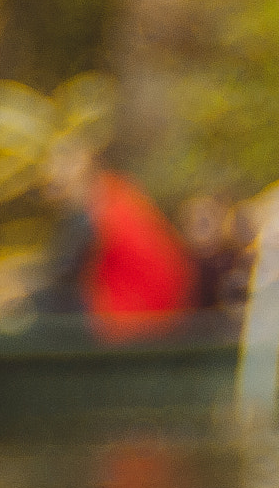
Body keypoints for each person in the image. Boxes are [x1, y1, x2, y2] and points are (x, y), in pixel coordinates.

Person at [34, 138, 194, 341]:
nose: (49, 176)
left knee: (38, 307)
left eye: (58, 166)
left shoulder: (99, 208)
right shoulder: (118, 192)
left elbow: (63, 272)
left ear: (81, 167)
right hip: (152, 316)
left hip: (129, 321)